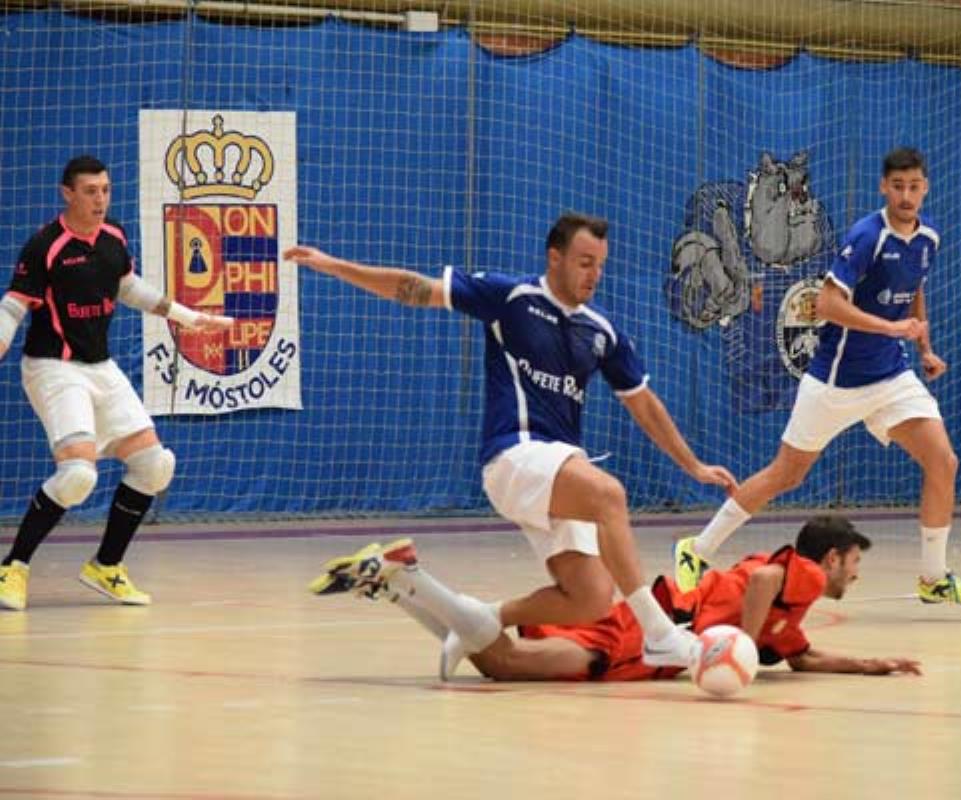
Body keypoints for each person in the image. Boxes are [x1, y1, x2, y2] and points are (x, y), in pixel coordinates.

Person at [286, 213, 737, 668]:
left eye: (600, 265)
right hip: (514, 456)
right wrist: (335, 266)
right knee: (609, 495)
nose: (594, 275)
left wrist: (693, 465)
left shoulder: (603, 330)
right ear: (555, 258)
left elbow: (644, 404)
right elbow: (415, 288)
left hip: (560, 467)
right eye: (584, 263)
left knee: (591, 599)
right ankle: (659, 634)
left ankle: (483, 617)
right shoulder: (511, 297)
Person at [673, 147, 961, 605]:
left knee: (944, 461)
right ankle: (696, 549)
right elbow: (826, 304)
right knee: (785, 475)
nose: (906, 195)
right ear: (883, 187)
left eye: (914, 187)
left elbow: (913, 288)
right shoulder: (867, 236)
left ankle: (934, 578)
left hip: (892, 376)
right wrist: (890, 328)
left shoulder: (928, 238)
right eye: (897, 186)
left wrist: (924, 347)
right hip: (836, 381)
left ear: (925, 188)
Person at [0, 155, 232, 611]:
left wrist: (188, 317)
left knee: (155, 465)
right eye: (90, 191)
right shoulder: (45, 245)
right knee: (78, 475)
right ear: (68, 193)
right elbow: (14, 304)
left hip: (100, 367)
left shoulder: (114, 237)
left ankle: (106, 566)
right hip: (53, 367)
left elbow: (127, 286)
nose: (100, 199)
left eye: (105, 190)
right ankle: (12, 567)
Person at [310, 515, 921, 682]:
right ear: (832, 557)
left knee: (498, 663)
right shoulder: (803, 575)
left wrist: (872, 664)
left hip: (647, 628)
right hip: (647, 635)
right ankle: (408, 579)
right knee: (505, 664)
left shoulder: (792, 602)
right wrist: (742, 641)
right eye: (855, 563)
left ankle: (397, 581)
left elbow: (802, 657)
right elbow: (762, 586)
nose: (855, 575)